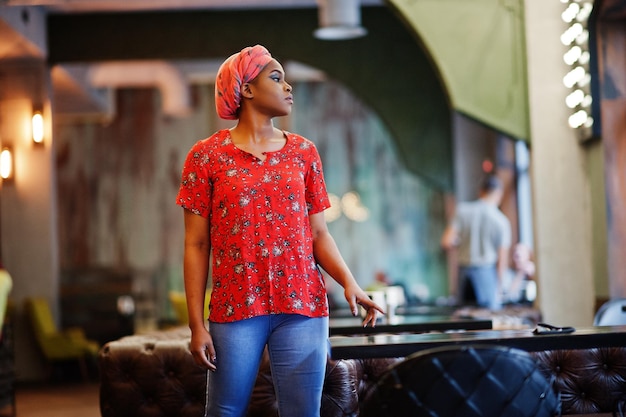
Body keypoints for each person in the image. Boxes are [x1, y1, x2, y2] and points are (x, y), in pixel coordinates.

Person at [176, 45, 383, 417]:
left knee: (303, 413)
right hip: (235, 308)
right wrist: (196, 325)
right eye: (276, 77)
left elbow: (319, 234)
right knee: (224, 412)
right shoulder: (205, 156)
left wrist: (349, 283)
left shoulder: (304, 152)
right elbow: (196, 243)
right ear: (247, 89)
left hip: (303, 306)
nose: (288, 86)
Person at [440, 174, 511, 310]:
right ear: (498, 194)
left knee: (463, 319)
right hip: (486, 273)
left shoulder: (462, 211)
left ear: (481, 191)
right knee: (488, 319)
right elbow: (502, 260)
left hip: (464, 273)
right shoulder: (501, 221)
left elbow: (446, 241)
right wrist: (500, 287)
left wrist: (462, 242)